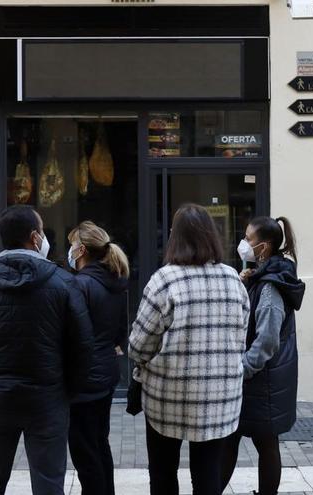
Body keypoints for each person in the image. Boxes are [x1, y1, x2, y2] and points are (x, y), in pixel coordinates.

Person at [0, 205, 94, 495]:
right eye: (41, 231)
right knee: (48, 483)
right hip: (48, 399)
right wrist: (67, 390)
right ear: (34, 237)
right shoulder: (64, 284)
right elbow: (82, 348)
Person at [128, 203, 250, 495]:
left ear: (175, 238)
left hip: (167, 397)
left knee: (162, 472)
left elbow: (138, 345)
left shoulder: (164, 280)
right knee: (208, 474)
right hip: (220, 398)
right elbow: (240, 337)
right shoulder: (233, 279)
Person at [220, 216, 305, 495]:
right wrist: (249, 278)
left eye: (249, 239)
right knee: (251, 441)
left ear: (264, 247)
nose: (243, 243)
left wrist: (242, 369)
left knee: (264, 443)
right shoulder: (265, 277)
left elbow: (267, 340)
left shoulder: (270, 287)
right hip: (263, 379)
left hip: (263, 379)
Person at [66, 221, 129, 495]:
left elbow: (73, 335)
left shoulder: (81, 285)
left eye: (72, 246)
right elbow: (119, 334)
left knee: (84, 451)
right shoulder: (114, 282)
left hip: (84, 379)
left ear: (80, 250)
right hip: (105, 373)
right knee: (99, 444)